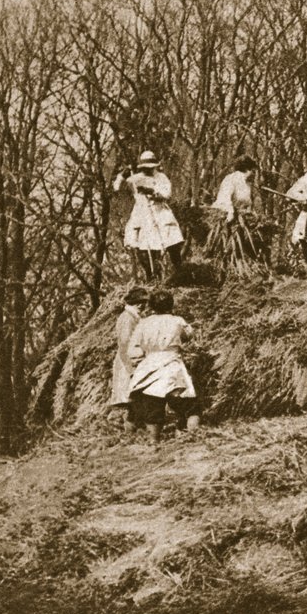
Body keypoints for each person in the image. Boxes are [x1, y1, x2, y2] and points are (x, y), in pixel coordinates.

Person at [126, 289, 199, 442]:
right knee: (188, 404)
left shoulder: (144, 323)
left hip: (150, 364)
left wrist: (140, 360)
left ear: (152, 306)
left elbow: (134, 348)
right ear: (171, 305)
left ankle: (153, 441)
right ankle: (194, 437)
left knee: (153, 405)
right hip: (172, 363)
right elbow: (189, 335)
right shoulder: (177, 320)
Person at [112, 151, 185, 280]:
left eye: (151, 167)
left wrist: (151, 191)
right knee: (143, 246)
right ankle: (151, 277)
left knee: (172, 240)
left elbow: (167, 194)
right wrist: (122, 176)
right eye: (145, 168)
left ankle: (179, 272)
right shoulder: (135, 179)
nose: (148, 170)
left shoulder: (161, 178)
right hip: (142, 214)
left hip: (159, 211)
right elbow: (117, 189)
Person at [209, 155, 265, 264]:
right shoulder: (231, 179)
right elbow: (224, 198)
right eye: (253, 171)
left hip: (242, 218)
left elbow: (247, 203)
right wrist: (231, 212)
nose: (254, 174)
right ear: (247, 169)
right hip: (227, 215)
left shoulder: (247, 184)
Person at [110, 287, 148, 431]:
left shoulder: (133, 317)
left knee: (137, 399)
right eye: (141, 302)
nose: (143, 305)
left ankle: (134, 430)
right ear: (136, 303)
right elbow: (125, 344)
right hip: (129, 362)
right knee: (133, 399)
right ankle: (130, 431)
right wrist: (132, 367)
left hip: (135, 360)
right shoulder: (127, 318)